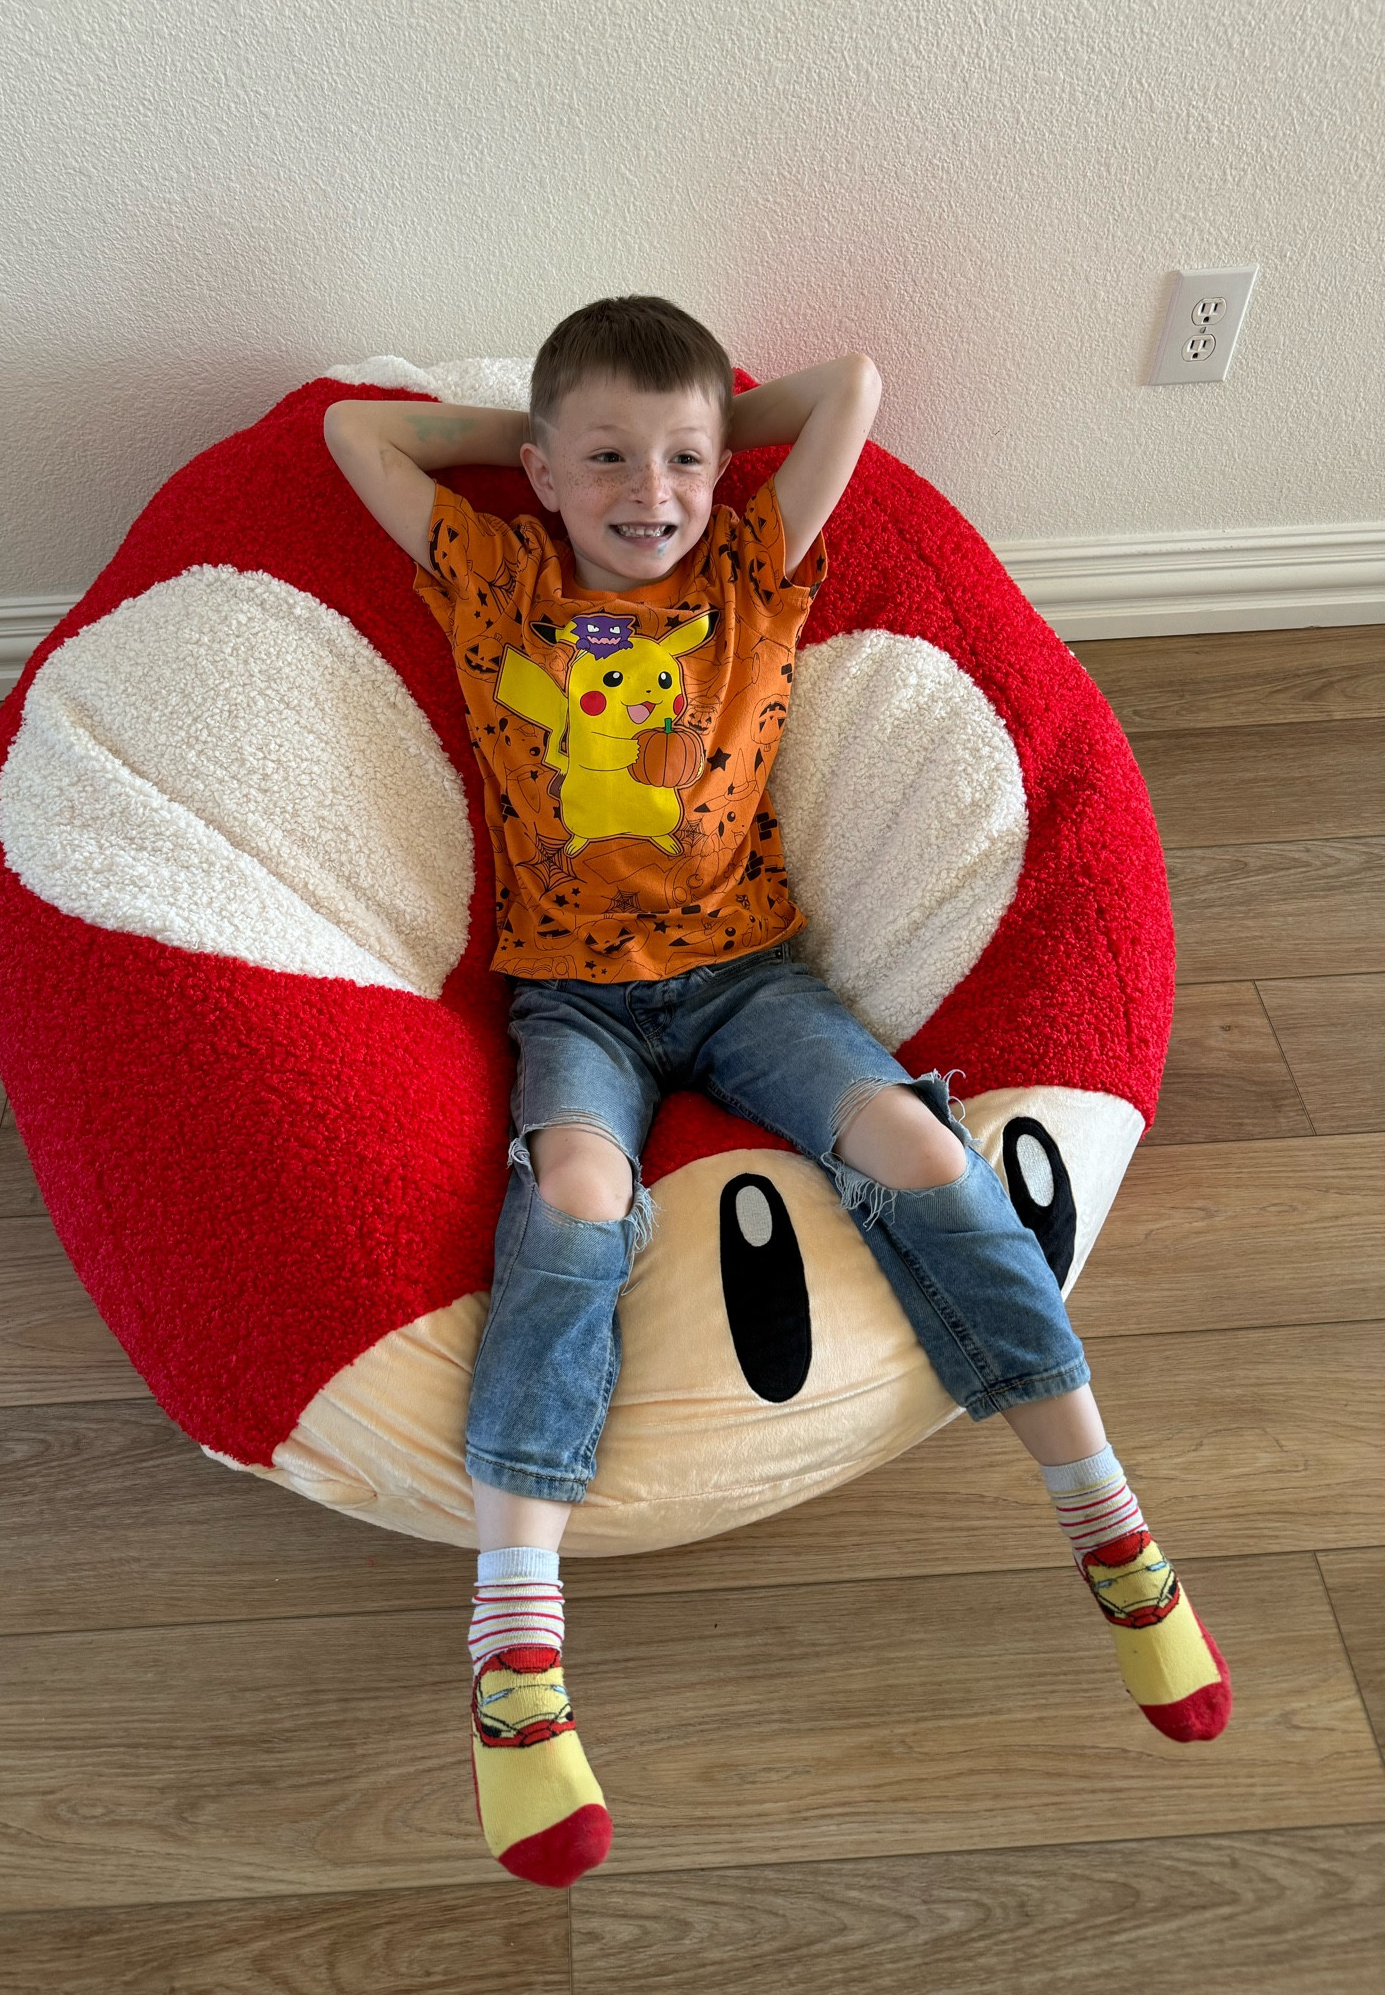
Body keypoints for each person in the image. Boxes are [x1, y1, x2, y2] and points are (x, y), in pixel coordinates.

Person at [323, 295, 1230, 1889]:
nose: (651, 491)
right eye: (607, 459)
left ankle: (1107, 1518)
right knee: (577, 1198)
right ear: (541, 472)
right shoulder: (499, 576)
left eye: (682, 458)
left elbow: (852, 388)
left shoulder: (748, 571)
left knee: (919, 1148)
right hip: (574, 1002)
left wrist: (696, 439)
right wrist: (548, 440)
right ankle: (515, 1650)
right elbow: (355, 433)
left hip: (755, 981)